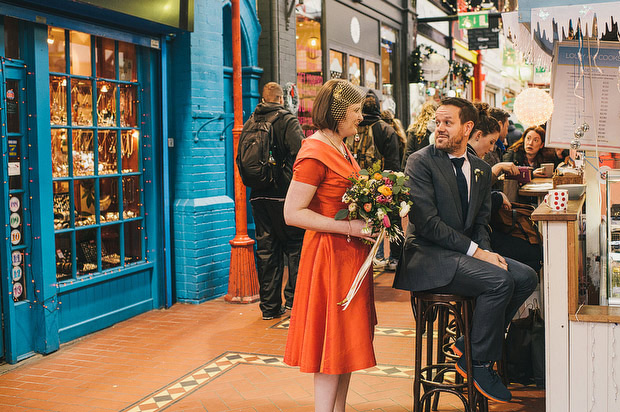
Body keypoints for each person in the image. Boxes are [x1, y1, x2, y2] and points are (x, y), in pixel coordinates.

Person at [394, 97, 538, 403]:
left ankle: (469, 343)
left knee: (525, 277)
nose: (440, 128)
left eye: (448, 123)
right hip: (427, 257)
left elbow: (481, 225)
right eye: (438, 122)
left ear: (467, 127)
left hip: (463, 255)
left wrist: (487, 253)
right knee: (499, 281)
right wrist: (479, 254)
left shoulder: (482, 170)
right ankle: (479, 362)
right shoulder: (420, 162)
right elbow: (429, 225)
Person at [283, 79, 378, 412]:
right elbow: (292, 213)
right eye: (355, 111)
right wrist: (347, 226)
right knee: (329, 345)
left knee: (346, 344)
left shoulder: (341, 144)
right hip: (328, 258)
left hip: (348, 257)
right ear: (338, 113)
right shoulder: (315, 151)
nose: (360, 118)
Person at [245, 82, 305, 320]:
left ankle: (269, 307)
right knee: (295, 246)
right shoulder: (286, 120)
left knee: (267, 251)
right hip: (284, 194)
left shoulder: (251, 121)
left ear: (263, 98)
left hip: (258, 195)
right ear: (281, 99)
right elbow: (302, 153)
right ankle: (294, 300)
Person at [403, 100, 438, 169]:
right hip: (435, 167)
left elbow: (408, 153)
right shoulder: (439, 128)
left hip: (418, 168)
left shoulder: (415, 129)